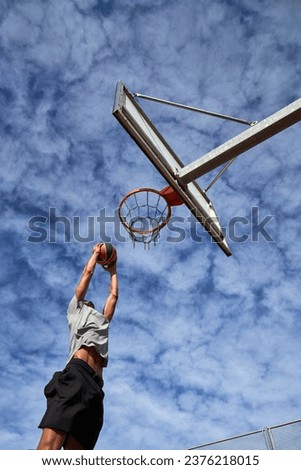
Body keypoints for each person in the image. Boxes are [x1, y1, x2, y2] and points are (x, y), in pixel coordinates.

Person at [36, 243, 119, 450]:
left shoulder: (102, 320)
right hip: (76, 376)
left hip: (95, 389)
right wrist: (95, 254)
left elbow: (113, 296)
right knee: (49, 449)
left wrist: (113, 269)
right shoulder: (75, 310)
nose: (90, 302)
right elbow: (87, 273)